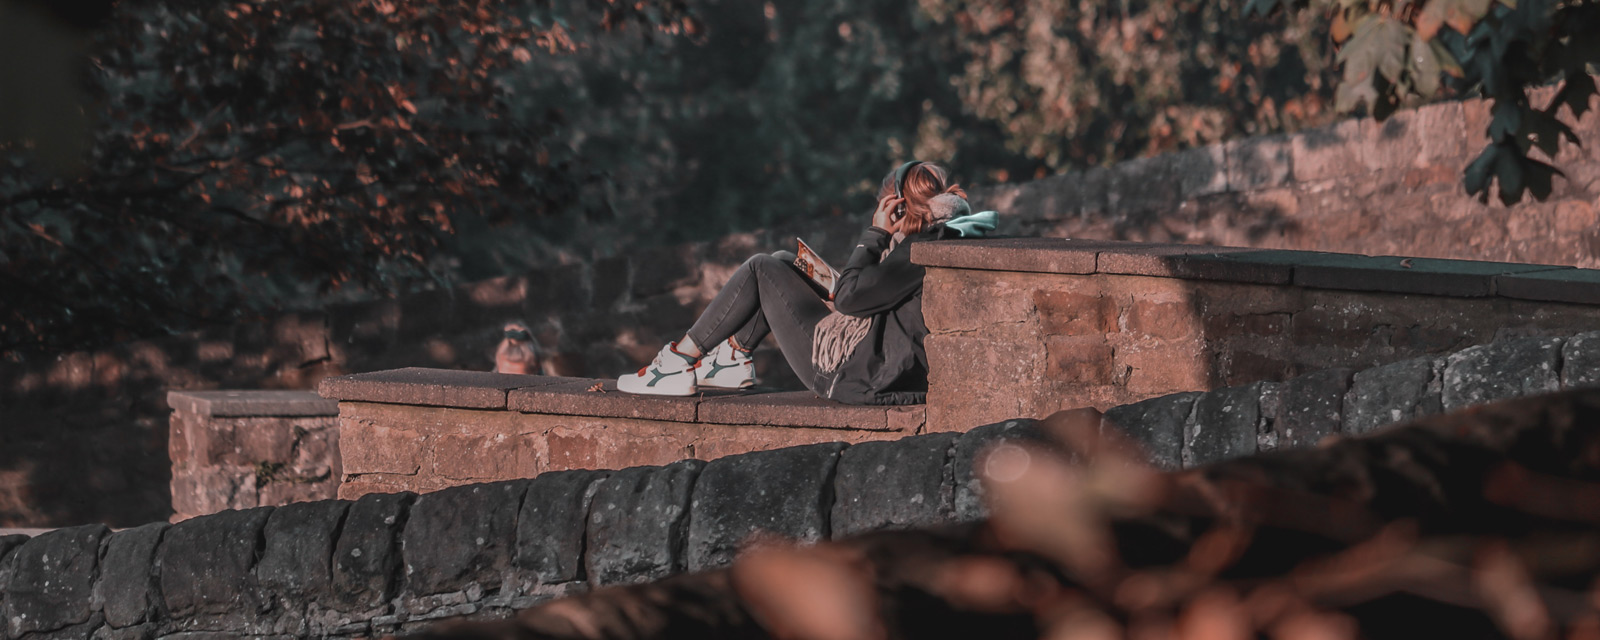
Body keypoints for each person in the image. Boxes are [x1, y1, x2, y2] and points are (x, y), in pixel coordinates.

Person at [617, 161, 998, 404]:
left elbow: (849, 300)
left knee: (761, 267)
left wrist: (875, 234)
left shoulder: (917, 248)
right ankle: (732, 360)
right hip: (873, 365)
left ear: (897, 206)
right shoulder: (950, 232)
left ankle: (675, 362)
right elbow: (870, 295)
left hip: (852, 376)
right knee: (786, 262)